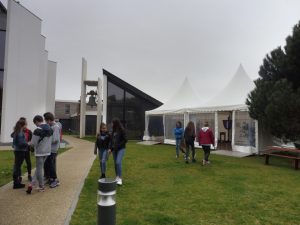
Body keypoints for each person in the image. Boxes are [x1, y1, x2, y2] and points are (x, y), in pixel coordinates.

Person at [26, 115, 53, 193]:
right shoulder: (50, 128)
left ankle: (41, 186)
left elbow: (32, 144)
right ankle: (32, 184)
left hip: (40, 152)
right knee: (39, 168)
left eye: (35, 123)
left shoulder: (37, 130)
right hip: (47, 151)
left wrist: (28, 143)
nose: (36, 125)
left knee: (39, 169)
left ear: (37, 121)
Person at [44, 112, 61, 188]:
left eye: (46, 120)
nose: (46, 122)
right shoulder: (51, 126)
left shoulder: (55, 127)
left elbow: (56, 139)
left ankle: (55, 180)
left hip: (53, 149)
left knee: (51, 165)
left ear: (49, 120)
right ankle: (49, 178)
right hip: (49, 149)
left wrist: (46, 140)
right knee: (47, 164)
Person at [11, 119, 28, 189]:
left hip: (17, 151)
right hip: (20, 151)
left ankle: (16, 182)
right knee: (17, 167)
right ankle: (16, 184)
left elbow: (14, 143)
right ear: (22, 125)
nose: (26, 126)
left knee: (17, 166)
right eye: (25, 125)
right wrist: (27, 144)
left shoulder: (16, 131)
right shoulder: (20, 132)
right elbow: (21, 143)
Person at [110, 118, 127, 186]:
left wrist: (118, 146)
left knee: (118, 162)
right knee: (115, 163)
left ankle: (120, 178)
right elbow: (112, 141)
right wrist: (111, 149)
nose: (111, 124)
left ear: (116, 123)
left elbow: (125, 140)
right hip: (114, 150)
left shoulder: (122, 130)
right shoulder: (113, 131)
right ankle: (117, 176)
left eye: (112, 123)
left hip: (121, 149)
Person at [19, 117, 33, 182]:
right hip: (20, 150)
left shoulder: (29, 131)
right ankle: (19, 176)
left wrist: (32, 149)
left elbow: (32, 140)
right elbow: (12, 135)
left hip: (27, 150)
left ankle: (29, 175)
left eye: (25, 124)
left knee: (28, 163)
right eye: (23, 125)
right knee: (19, 163)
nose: (24, 126)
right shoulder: (18, 131)